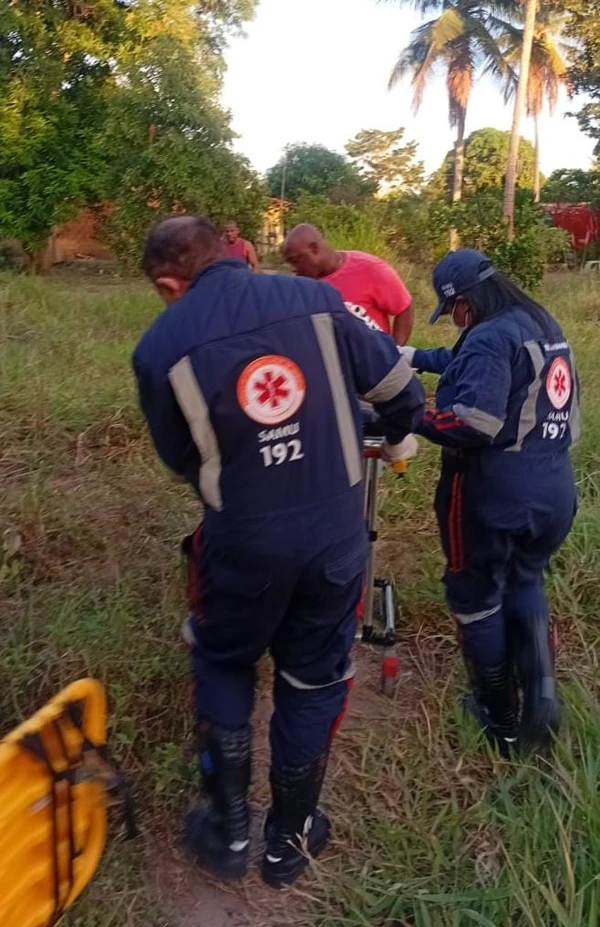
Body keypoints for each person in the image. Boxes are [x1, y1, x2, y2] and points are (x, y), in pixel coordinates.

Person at [133, 215, 425, 887]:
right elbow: (398, 393)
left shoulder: (160, 349)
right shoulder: (320, 302)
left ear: (170, 283)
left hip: (241, 542)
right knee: (316, 677)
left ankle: (228, 830)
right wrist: (388, 431)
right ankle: (289, 840)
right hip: (335, 537)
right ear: (235, 254)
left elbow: (183, 459)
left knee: (224, 657)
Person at [401, 249, 579, 756]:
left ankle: (498, 717)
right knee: (526, 580)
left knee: (475, 598)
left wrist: (408, 417)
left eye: (452, 310)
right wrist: (408, 355)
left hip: (495, 489)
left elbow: (474, 422)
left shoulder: (487, 335)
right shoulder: (538, 321)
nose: (455, 319)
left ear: (464, 302)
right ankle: (542, 699)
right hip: (554, 488)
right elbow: (462, 359)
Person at [283, 223, 414, 346]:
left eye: (296, 261)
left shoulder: (370, 269)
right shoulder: (304, 283)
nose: (294, 269)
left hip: (371, 362)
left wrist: (394, 351)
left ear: (314, 249)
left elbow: (404, 307)